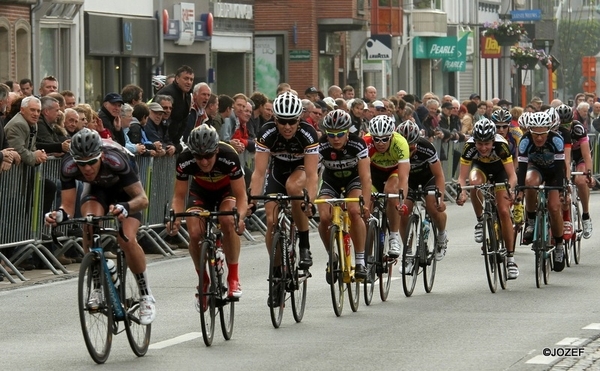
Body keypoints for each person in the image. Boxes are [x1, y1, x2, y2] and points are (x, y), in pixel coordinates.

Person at [44, 128, 156, 324]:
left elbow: (143, 199)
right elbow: (68, 206)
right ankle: (96, 285)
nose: (86, 169)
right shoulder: (69, 165)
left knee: (126, 239)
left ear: (101, 156)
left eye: (91, 162)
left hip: (125, 192)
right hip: (97, 191)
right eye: (82, 164)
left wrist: (125, 206)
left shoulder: (115, 159)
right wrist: (58, 215)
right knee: (89, 222)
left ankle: (146, 294)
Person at [249, 92, 319, 306]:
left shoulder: (308, 134)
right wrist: (252, 199)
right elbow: (259, 172)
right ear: (275, 120)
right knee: (271, 220)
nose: (287, 127)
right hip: (277, 170)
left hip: (300, 170)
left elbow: (312, 174)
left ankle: (304, 244)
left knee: (294, 188)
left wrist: (310, 200)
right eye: (282, 121)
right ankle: (278, 273)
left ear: (299, 119)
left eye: (292, 122)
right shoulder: (266, 132)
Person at [167, 124, 247, 308]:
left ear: (216, 150)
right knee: (194, 233)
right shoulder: (185, 159)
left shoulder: (229, 156)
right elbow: (179, 196)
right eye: (199, 157)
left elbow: (241, 196)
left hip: (227, 192)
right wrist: (176, 220)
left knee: (228, 220)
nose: (203, 162)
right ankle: (203, 280)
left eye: (208, 156)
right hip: (200, 193)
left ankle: (233, 278)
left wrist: (240, 218)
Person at [456, 119, 519, 279]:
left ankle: (511, 259)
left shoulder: (502, 145)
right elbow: (462, 178)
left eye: (487, 144)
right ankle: (480, 221)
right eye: (480, 144)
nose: (483, 148)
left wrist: (510, 190)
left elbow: (512, 175)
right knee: (474, 183)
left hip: (500, 172)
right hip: (480, 169)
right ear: (474, 142)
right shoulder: (469, 147)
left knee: (504, 211)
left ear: (493, 140)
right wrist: (462, 193)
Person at [317, 109, 371, 281]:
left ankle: (361, 260)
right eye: (331, 135)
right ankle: (331, 256)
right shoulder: (321, 146)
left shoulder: (358, 144)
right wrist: (309, 199)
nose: (336, 138)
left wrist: (366, 204)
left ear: (348, 131)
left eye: (340, 134)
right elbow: (313, 174)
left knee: (355, 211)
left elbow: (365, 177)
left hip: (353, 181)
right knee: (324, 216)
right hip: (330, 181)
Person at [516, 111, 567, 272]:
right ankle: (531, 220)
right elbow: (522, 169)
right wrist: (520, 191)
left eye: (542, 134)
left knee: (554, 207)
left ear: (549, 130)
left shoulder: (557, 140)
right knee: (529, 183)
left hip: (553, 173)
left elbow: (560, 169)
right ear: (530, 131)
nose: (539, 138)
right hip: (535, 169)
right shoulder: (524, 141)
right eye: (535, 134)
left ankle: (559, 245)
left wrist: (560, 190)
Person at [397, 120, 449, 265]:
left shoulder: (427, 147)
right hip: (408, 180)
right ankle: (407, 252)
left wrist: (441, 199)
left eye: (412, 147)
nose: (409, 150)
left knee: (434, 208)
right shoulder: (395, 148)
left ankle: (441, 235)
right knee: (403, 211)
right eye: (405, 147)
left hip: (428, 178)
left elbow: (439, 175)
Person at [363, 115, 410, 258]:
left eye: (385, 139)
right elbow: (362, 174)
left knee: (391, 192)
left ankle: (394, 237)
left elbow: (404, 178)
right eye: (376, 139)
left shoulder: (400, 143)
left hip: (393, 172)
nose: (380, 143)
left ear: (391, 136)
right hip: (373, 172)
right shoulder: (366, 143)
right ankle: (366, 252)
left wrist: (402, 202)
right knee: (366, 205)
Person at [154, 65, 194, 153]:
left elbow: (184, 121)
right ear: (177, 78)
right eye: (186, 78)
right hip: (161, 143)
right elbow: (156, 120)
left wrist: (175, 144)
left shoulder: (187, 95)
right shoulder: (167, 93)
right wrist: (165, 143)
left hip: (173, 143)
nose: (189, 82)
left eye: (191, 79)